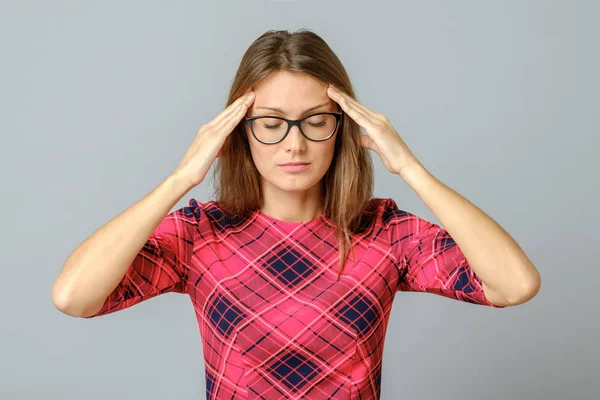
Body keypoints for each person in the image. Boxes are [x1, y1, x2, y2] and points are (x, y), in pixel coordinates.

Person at [52, 29, 540, 399]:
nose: (294, 143)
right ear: (238, 130)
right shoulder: (200, 235)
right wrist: (181, 177)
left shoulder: (386, 233)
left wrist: (409, 167)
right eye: (270, 123)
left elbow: (514, 284)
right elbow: (75, 297)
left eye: (315, 121)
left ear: (341, 126)